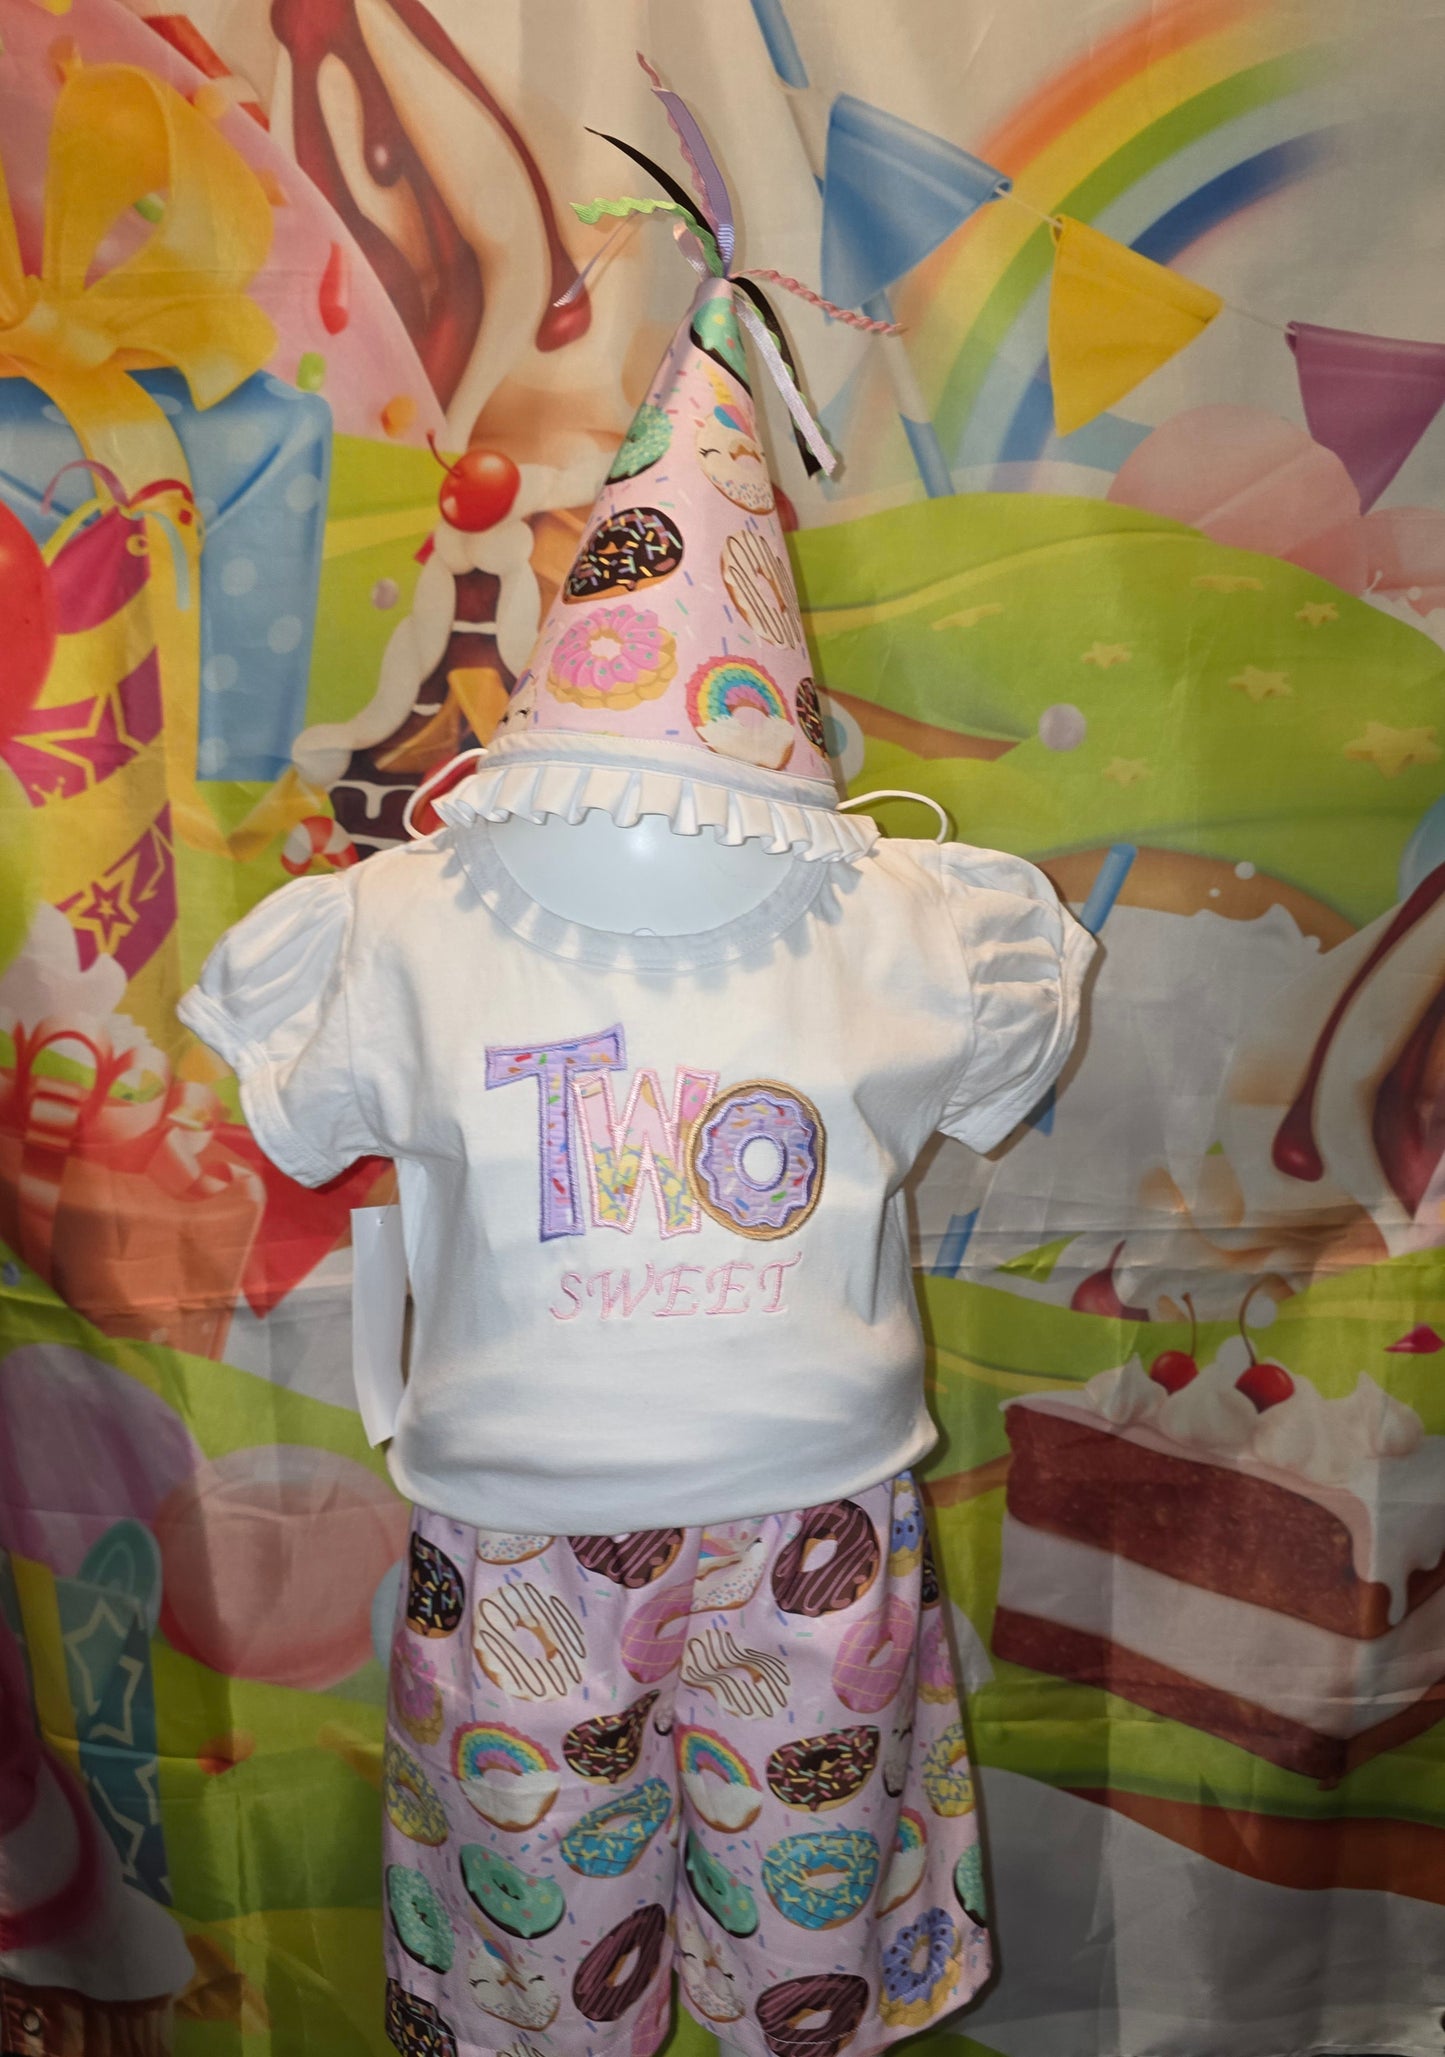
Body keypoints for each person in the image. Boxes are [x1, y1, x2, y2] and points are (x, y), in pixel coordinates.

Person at [179, 81, 1094, 2057]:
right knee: (554, 1974)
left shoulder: (907, 919)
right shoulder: (398, 929)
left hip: (802, 1528)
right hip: (539, 1533)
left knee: (769, 1964)